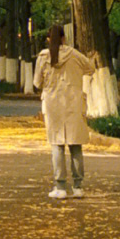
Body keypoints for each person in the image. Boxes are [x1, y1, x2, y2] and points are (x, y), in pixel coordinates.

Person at [33, 23, 95, 199]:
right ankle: (78, 187)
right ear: (63, 38)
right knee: (76, 145)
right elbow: (90, 68)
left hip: (53, 105)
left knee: (57, 145)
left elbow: (37, 83)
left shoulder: (44, 57)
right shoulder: (74, 55)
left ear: (48, 39)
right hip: (74, 103)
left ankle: (60, 187)